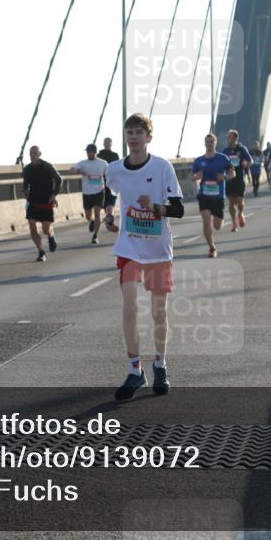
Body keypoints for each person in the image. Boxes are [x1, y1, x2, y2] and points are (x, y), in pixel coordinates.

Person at [103, 114, 185, 401]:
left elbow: (178, 209)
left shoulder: (162, 168)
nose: (134, 137)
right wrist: (109, 215)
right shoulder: (114, 169)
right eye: (130, 132)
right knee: (129, 308)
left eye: (139, 132)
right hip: (128, 247)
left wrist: (156, 208)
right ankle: (135, 370)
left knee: (158, 311)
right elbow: (110, 193)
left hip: (158, 249)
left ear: (149, 137)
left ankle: (160, 364)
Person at [192, 133, 235, 258]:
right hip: (204, 195)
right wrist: (196, 177)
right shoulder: (199, 160)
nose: (210, 144)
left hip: (218, 196)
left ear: (215, 143)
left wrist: (225, 177)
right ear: (204, 144)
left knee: (217, 226)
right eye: (208, 142)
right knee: (206, 220)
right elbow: (191, 175)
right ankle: (212, 247)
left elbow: (233, 173)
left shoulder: (223, 158)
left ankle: (220, 219)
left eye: (212, 142)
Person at [22, 145, 62, 261]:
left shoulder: (47, 166)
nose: (32, 155)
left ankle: (51, 235)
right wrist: (25, 191)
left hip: (46, 201)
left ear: (39, 154)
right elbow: (25, 184)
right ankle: (41, 251)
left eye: (35, 153)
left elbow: (59, 180)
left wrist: (54, 194)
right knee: (32, 228)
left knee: (45, 229)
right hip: (33, 202)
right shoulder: (27, 169)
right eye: (31, 153)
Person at [70, 144, 110, 244]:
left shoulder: (103, 163)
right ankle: (92, 221)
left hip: (99, 191)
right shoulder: (83, 163)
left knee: (97, 213)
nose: (88, 154)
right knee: (88, 216)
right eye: (87, 152)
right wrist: (78, 170)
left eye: (89, 152)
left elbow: (110, 173)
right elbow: (71, 170)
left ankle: (95, 236)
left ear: (94, 152)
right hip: (87, 193)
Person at [221, 129, 253, 232]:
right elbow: (221, 163)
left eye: (229, 136)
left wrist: (246, 164)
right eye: (227, 136)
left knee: (240, 202)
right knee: (230, 203)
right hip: (229, 179)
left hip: (239, 178)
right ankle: (234, 224)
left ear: (235, 138)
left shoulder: (242, 149)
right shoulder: (225, 151)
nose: (227, 138)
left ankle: (240, 213)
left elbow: (250, 160)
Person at [98, 137, 120, 221]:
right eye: (106, 142)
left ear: (111, 144)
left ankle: (109, 216)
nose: (107, 144)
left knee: (109, 201)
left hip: (109, 182)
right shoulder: (99, 155)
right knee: (107, 202)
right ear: (103, 144)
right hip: (103, 182)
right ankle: (109, 216)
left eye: (108, 142)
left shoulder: (114, 155)